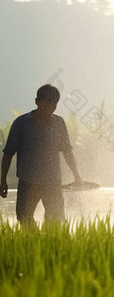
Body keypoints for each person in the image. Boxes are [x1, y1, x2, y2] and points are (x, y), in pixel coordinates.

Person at [0, 84, 82, 224]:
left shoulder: (58, 123)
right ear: (37, 101)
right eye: (45, 105)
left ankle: (49, 244)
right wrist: (3, 181)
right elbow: (8, 153)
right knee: (24, 218)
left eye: (53, 105)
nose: (49, 109)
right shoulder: (21, 123)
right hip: (28, 181)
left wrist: (77, 176)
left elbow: (67, 152)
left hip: (53, 182)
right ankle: (35, 241)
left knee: (56, 221)